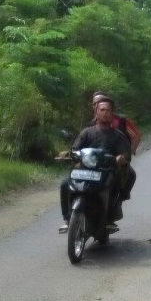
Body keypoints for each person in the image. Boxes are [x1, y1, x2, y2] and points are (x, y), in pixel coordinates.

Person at [59, 97, 132, 233]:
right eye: (102, 110)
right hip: (85, 170)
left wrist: (120, 158)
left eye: (108, 110)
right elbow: (75, 149)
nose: (105, 113)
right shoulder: (87, 132)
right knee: (65, 184)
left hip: (106, 171)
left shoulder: (118, 136)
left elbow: (125, 154)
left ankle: (109, 219)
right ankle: (67, 219)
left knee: (113, 187)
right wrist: (70, 154)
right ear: (96, 113)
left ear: (112, 113)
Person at [89, 92, 138, 202]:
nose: (95, 106)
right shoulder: (91, 124)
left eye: (99, 103)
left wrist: (127, 154)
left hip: (116, 158)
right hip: (94, 160)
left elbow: (135, 137)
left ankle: (118, 201)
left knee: (130, 175)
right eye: (94, 104)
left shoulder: (121, 121)